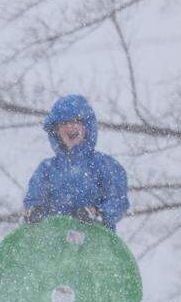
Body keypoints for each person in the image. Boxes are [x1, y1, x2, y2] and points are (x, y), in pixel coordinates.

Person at [22, 95, 129, 230]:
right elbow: (34, 199)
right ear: (56, 131)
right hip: (56, 244)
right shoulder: (47, 169)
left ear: (86, 126)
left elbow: (118, 201)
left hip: (96, 243)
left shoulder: (105, 165)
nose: (70, 127)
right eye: (64, 123)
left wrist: (97, 212)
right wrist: (34, 211)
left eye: (75, 121)